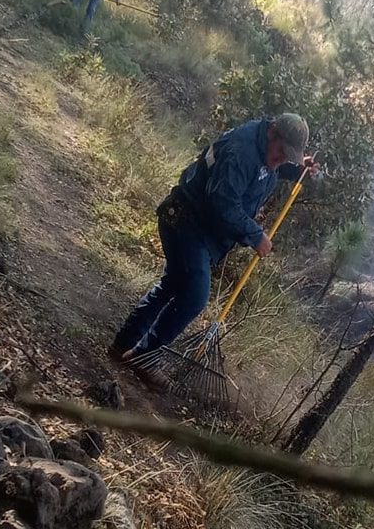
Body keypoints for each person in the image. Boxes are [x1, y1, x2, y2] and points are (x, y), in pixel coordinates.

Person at [109, 112, 316, 371]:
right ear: (272, 132)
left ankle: (124, 346)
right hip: (186, 220)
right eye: (282, 151)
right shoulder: (241, 151)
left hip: (202, 230)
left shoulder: (264, 147)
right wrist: (256, 235)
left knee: (173, 284)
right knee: (195, 295)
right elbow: (223, 202)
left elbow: (268, 167)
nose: (282, 159)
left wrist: (298, 167)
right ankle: (144, 357)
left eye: (289, 155)